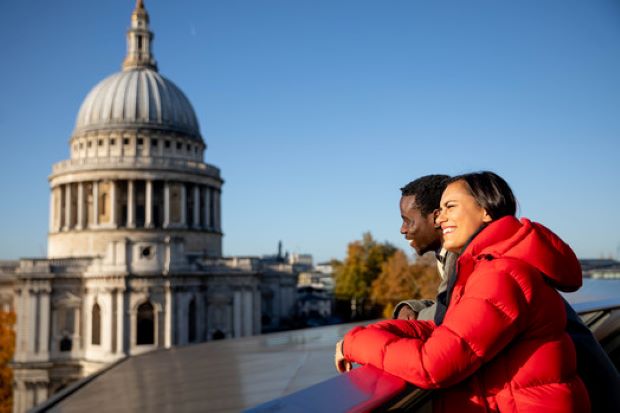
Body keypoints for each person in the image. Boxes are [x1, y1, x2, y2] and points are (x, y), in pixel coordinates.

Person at [336, 171, 591, 412]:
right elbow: (451, 331)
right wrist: (371, 332)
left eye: (450, 207)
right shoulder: (488, 266)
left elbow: (434, 365)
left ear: (485, 210)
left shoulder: (500, 274)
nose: (439, 218)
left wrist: (354, 344)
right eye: (439, 210)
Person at [394, 175, 452, 321]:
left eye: (408, 221)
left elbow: (448, 311)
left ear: (436, 218)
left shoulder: (458, 255)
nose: (402, 229)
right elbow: (448, 302)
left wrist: (413, 320)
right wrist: (410, 307)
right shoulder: (444, 254)